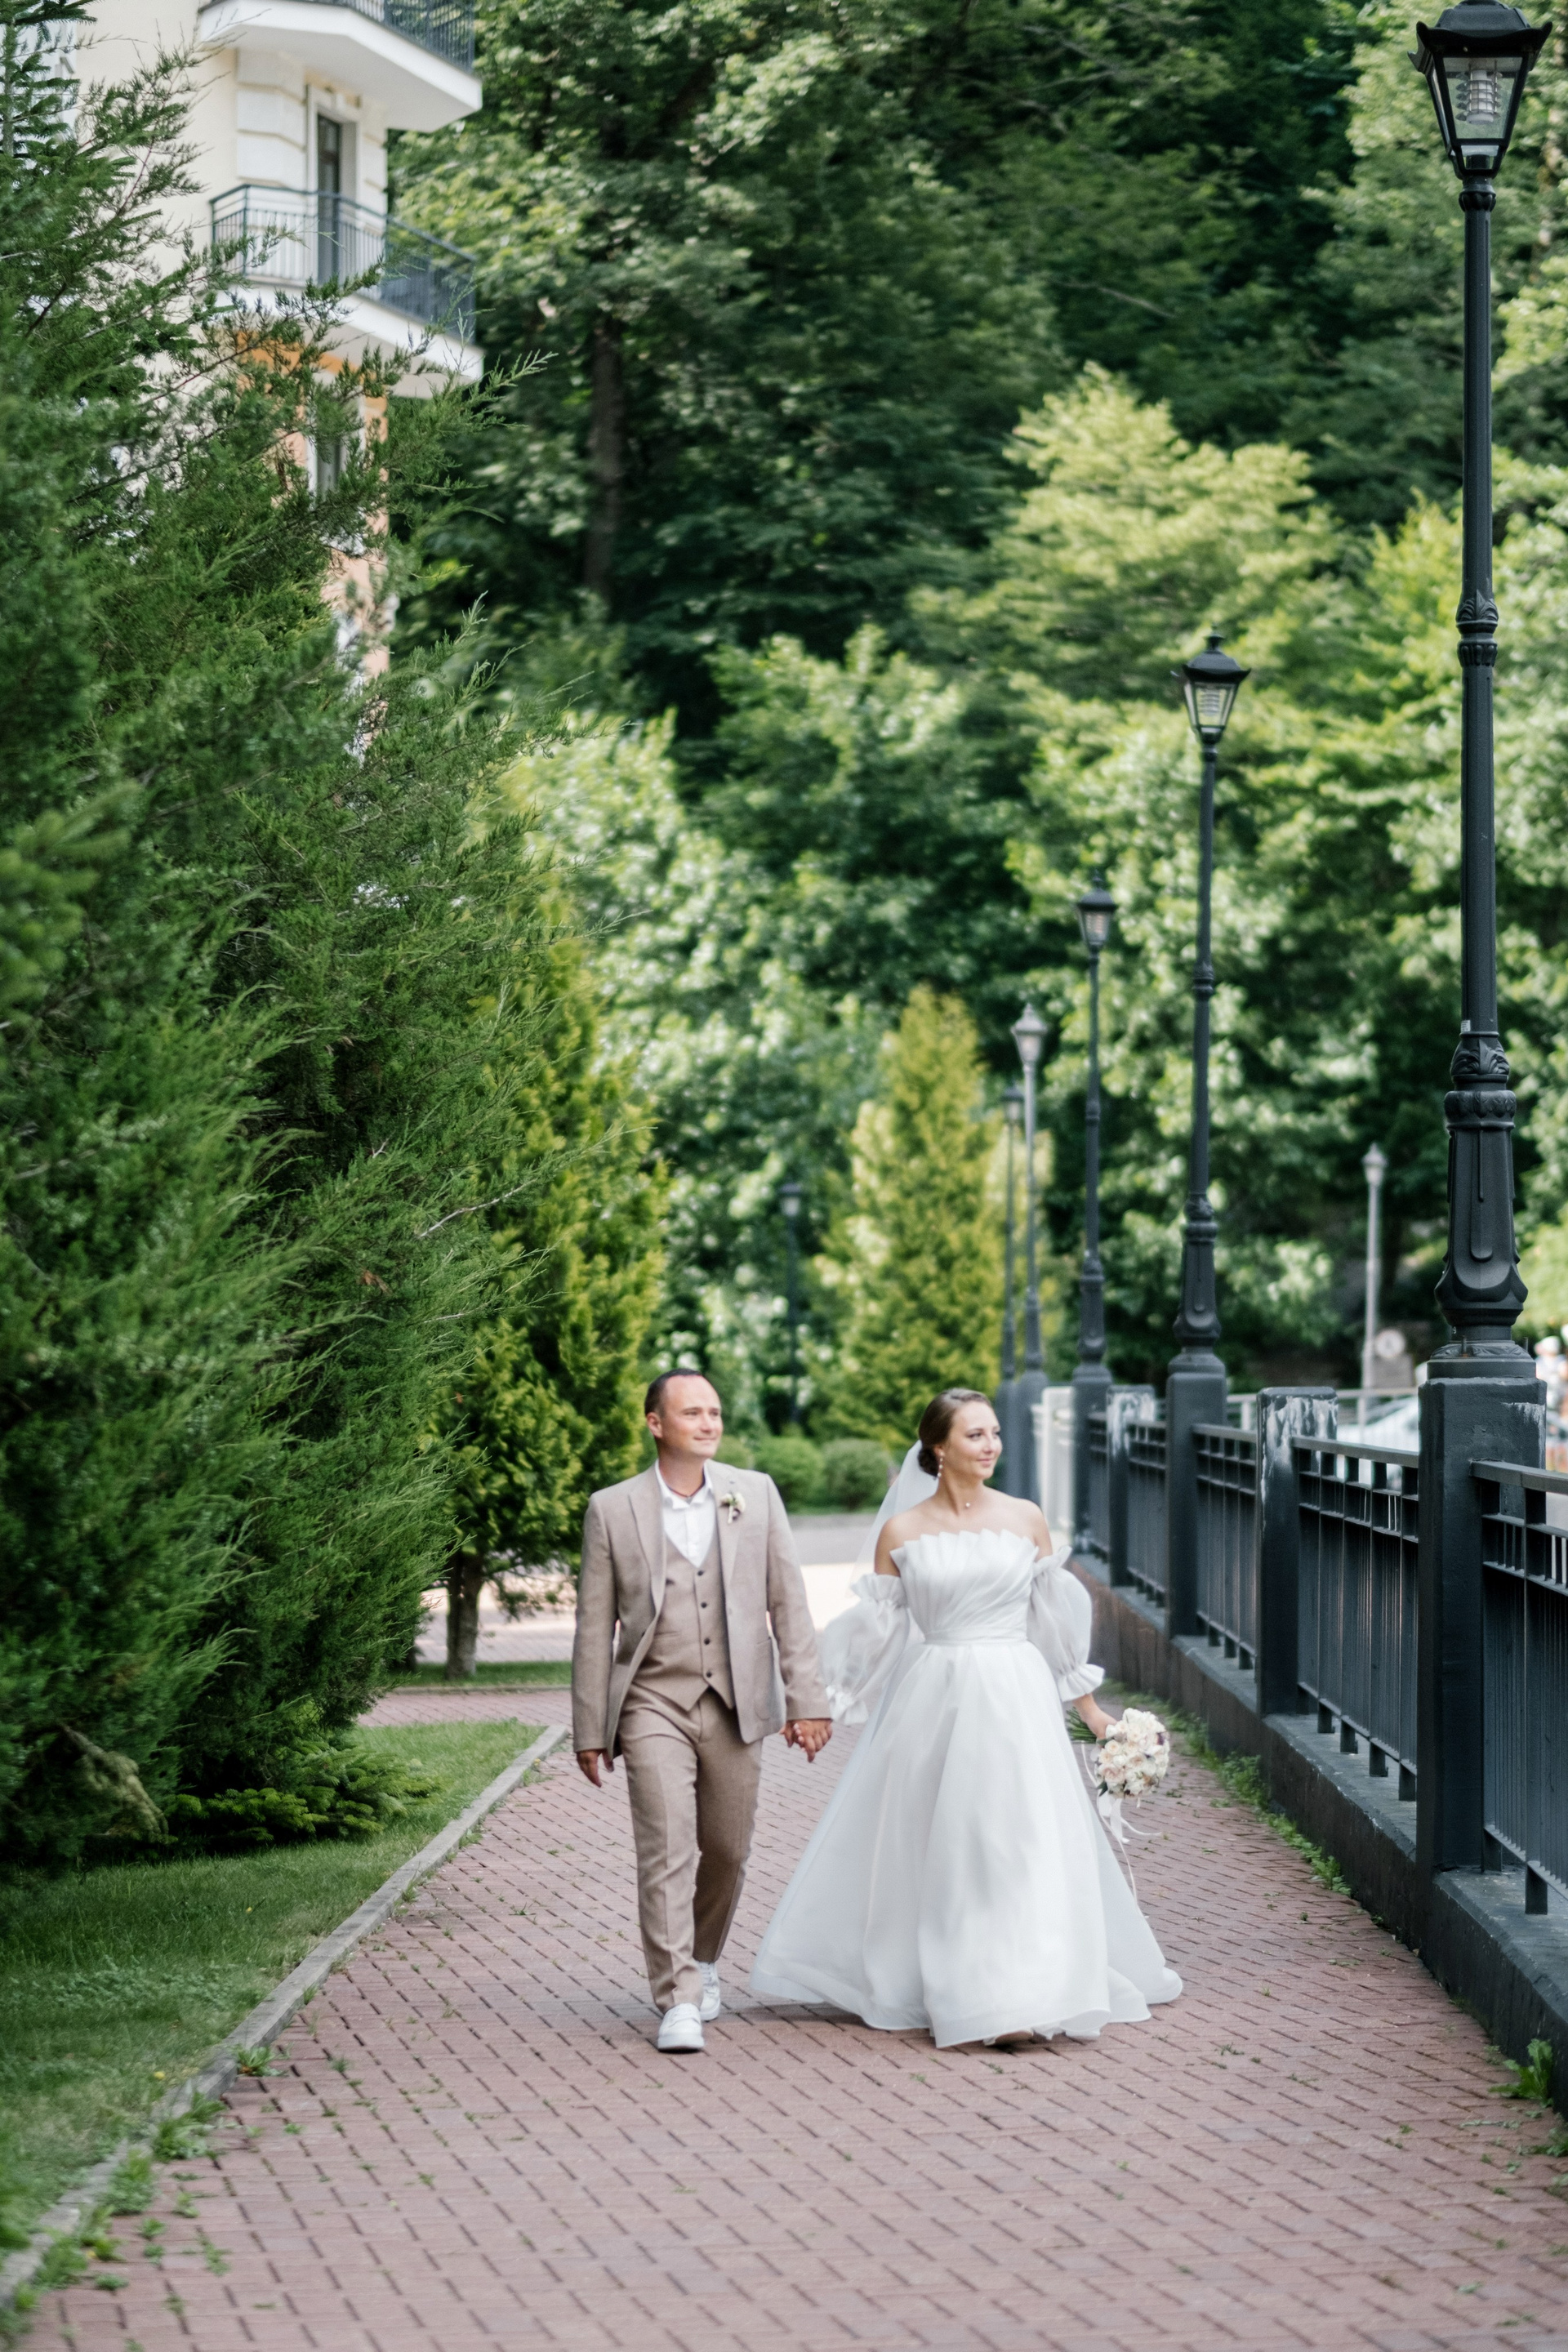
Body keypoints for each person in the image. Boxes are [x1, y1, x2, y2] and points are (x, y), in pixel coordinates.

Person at [751, 1387, 1182, 2049]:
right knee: (955, 1844)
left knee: (1018, 1840)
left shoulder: (1025, 1519)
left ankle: (1026, 1988)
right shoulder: (902, 1532)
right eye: (975, 1435)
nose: (991, 1446)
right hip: (936, 1699)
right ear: (938, 1447)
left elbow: (1053, 1627)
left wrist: (1094, 1715)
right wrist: (819, 1703)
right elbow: (877, 1636)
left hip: (1015, 1696)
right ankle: (970, 1990)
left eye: (995, 1434)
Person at [572, 1368, 832, 2054]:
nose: (709, 1423)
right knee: (665, 1848)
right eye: (692, 1413)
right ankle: (678, 1999)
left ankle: (704, 1956)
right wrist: (589, 1729)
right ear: (655, 1423)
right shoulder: (612, 1509)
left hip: (735, 1700)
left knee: (728, 1848)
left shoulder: (756, 1493)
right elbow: (595, 1626)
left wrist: (808, 1700)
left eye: (714, 1411)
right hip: (651, 1700)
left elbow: (789, 1604)